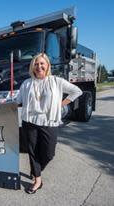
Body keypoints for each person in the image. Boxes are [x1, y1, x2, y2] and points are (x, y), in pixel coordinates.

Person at [16, 53, 82, 194]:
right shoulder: (27, 83)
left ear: (47, 66)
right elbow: (18, 101)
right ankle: (37, 180)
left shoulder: (56, 81)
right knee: (32, 151)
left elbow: (77, 91)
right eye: (36, 64)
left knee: (49, 153)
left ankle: (36, 169)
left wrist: (61, 104)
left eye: (42, 63)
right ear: (32, 67)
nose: (39, 66)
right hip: (30, 122)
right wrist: (5, 103)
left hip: (49, 122)